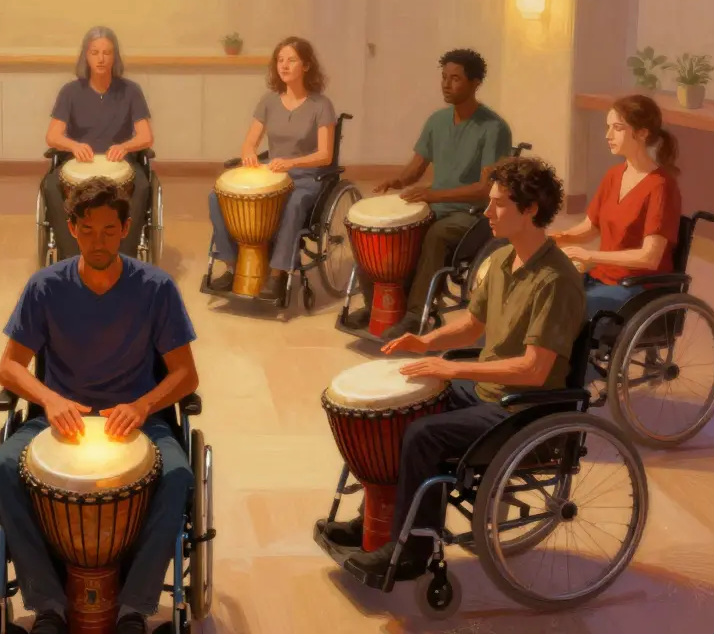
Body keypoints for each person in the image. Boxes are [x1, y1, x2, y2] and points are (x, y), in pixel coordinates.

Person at [322, 157, 585, 579]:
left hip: (523, 410)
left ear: (531, 209)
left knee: (423, 432)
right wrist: (425, 343)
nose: (487, 212)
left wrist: (453, 370)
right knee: (400, 407)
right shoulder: (503, 260)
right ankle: (380, 520)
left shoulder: (556, 280)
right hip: (490, 392)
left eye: (499, 204)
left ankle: (411, 550)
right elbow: (473, 324)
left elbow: (534, 371)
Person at [0, 178, 199, 634]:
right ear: (71, 229)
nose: (97, 241)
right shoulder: (44, 287)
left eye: (108, 230)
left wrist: (143, 405)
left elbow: (186, 375)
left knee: (179, 473)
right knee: (1, 467)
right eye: (87, 230)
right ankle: (46, 605)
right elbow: (9, 369)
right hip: (58, 418)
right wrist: (49, 398)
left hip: (141, 421)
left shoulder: (156, 288)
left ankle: (134, 609)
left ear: (125, 229)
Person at [342, 49, 514, 338]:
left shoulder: (494, 128)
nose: (447, 84)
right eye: (444, 78)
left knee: (434, 234)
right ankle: (377, 308)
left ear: (474, 83)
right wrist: (396, 181)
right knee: (379, 231)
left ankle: (414, 314)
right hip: (437, 207)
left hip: (472, 216)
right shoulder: (437, 121)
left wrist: (434, 196)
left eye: (455, 79)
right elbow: (416, 169)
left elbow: (486, 190)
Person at [206, 36, 337, 300]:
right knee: (216, 196)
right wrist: (250, 155)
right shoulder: (269, 102)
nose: (284, 65)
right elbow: (249, 143)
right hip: (272, 173)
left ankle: (277, 275)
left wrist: (291, 163)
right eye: (280, 60)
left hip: (306, 176)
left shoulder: (321, 105)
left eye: (291, 60)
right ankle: (232, 267)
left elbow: (325, 155)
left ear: (307, 66)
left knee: (294, 202)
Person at [550, 94, 682, 324]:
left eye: (617, 128)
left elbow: (649, 257)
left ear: (642, 133)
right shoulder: (614, 176)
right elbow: (590, 228)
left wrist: (589, 255)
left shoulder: (661, 186)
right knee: (544, 291)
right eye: (608, 127)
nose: (608, 135)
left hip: (637, 289)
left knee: (564, 308)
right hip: (602, 277)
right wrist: (554, 239)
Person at [42, 26, 154, 261]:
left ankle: (125, 260)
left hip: (120, 162)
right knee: (51, 186)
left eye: (107, 52)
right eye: (95, 52)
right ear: (86, 56)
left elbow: (146, 136)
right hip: (78, 161)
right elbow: (52, 136)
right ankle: (72, 258)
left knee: (143, 186)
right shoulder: (70, 92)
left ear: (115, 57)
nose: (101, 58)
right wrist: (73, 146)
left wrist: (125, 147)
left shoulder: (131, 91)